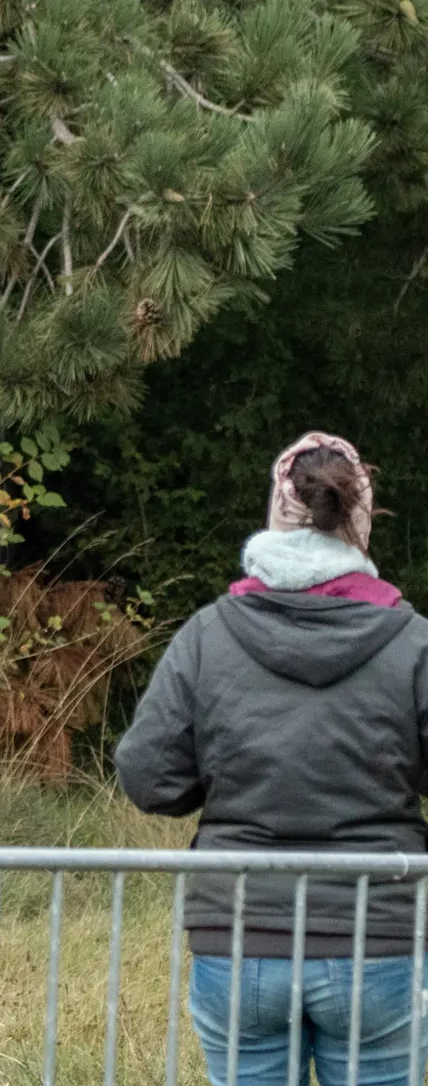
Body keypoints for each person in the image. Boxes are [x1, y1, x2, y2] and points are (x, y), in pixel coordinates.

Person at [115, 433, 428, 1086]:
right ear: (360, 524)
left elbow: (148, 777)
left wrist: (225, 781)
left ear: (273, 516)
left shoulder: (209, 634)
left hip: (239, 932)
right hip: (380, 937)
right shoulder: (413, 643)